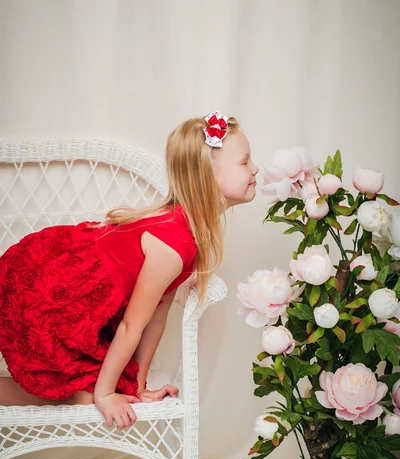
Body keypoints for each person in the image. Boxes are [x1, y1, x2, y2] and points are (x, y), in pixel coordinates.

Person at [0, 111, 259, 429]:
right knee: (86, 396)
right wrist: (106, 393)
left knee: (114, 390)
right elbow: (130, 327)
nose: (255, 169)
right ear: (209, 176)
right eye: (245, 162)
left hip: (86, 308)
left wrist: (136, 384)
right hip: (49, 295)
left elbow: (158, 314)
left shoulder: (189, 234)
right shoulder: (173, 243)